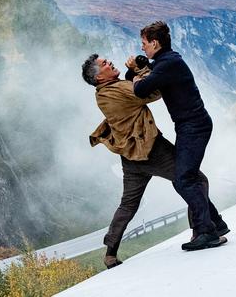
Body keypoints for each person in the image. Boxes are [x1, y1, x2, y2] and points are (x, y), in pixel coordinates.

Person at [81, 54, 228, 268]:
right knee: (194, 180)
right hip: (152, 151)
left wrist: (134, 73)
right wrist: (142, 71)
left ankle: (110, 253)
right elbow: (153, 91)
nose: (110, 62)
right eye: (104, 64)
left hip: (130, 157)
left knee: (128, 204)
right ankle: (203, 230)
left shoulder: (103, 94)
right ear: (99, 77)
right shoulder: (118, 90)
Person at [132, 21, 225, 251]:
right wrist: (138, 69)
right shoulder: (166, 61)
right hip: (190, 126)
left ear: (155, 43)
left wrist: (136, 78)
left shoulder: (168, 64)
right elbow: (148, 76)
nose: (142, 48)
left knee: (184, 179)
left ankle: (207, 232)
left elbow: (141, 90)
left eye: (144, 44)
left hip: (194, 127)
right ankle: (216, 224)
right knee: (188, 177)